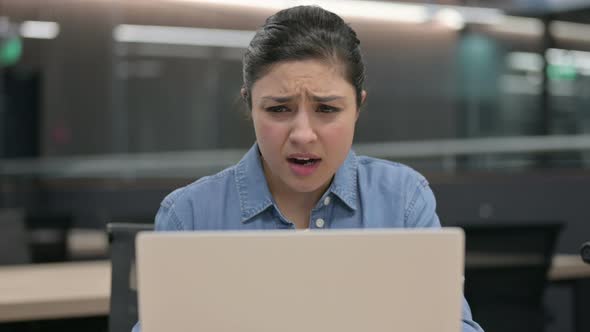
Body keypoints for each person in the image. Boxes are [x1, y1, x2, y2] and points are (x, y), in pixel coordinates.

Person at [132, 5, 483, 332]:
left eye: (327, 109)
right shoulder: (190, 215)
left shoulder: (402, 200)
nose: (303, 134)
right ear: (250, 105)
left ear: (358, 107)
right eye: (278, 109)